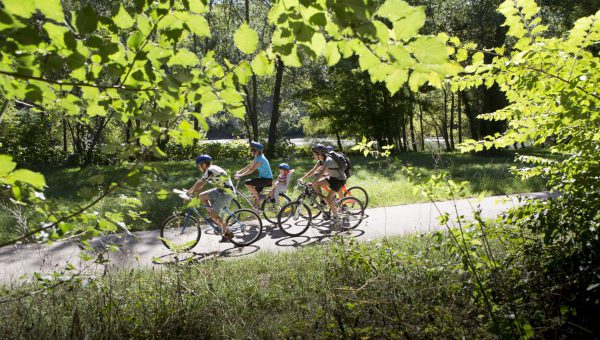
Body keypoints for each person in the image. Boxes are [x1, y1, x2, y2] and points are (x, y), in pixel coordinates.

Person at [186, 154, 236, 242]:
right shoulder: (211, 169)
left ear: (204, 164)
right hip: (220, 190)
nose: (199, 168)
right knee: (202, 196)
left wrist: (189, 192)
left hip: (227, 194)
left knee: (214, 215)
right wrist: (193, 191)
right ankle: (212, 215)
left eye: (199, 165)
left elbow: (200, 183)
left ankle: (228, 232)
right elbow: (201, 184)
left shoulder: (210, 170)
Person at [298, 143, 347, 223]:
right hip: (332, 178)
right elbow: (313, 171)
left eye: (314, 153)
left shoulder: (328, 160)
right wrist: (302, 178)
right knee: (316, 185)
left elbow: (321, 173)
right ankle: (322, 202)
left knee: (328, 198)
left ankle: (337, 218)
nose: (313, 155)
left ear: (319, 154)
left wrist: (313, 182)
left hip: (339, 180)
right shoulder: (320, 161)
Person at [234, 141, 273, 207]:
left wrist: (241, 175)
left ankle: (258, 198)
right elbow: (249, 166)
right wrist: (239, 172)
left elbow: (252, 169)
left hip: (266, 180)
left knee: (247, 183)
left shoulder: (261, 159)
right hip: (263, 179)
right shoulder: (258, 157)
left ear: (257, 151)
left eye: (252, 150)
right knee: (255, 195)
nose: (250, 151)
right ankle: (255, 212)